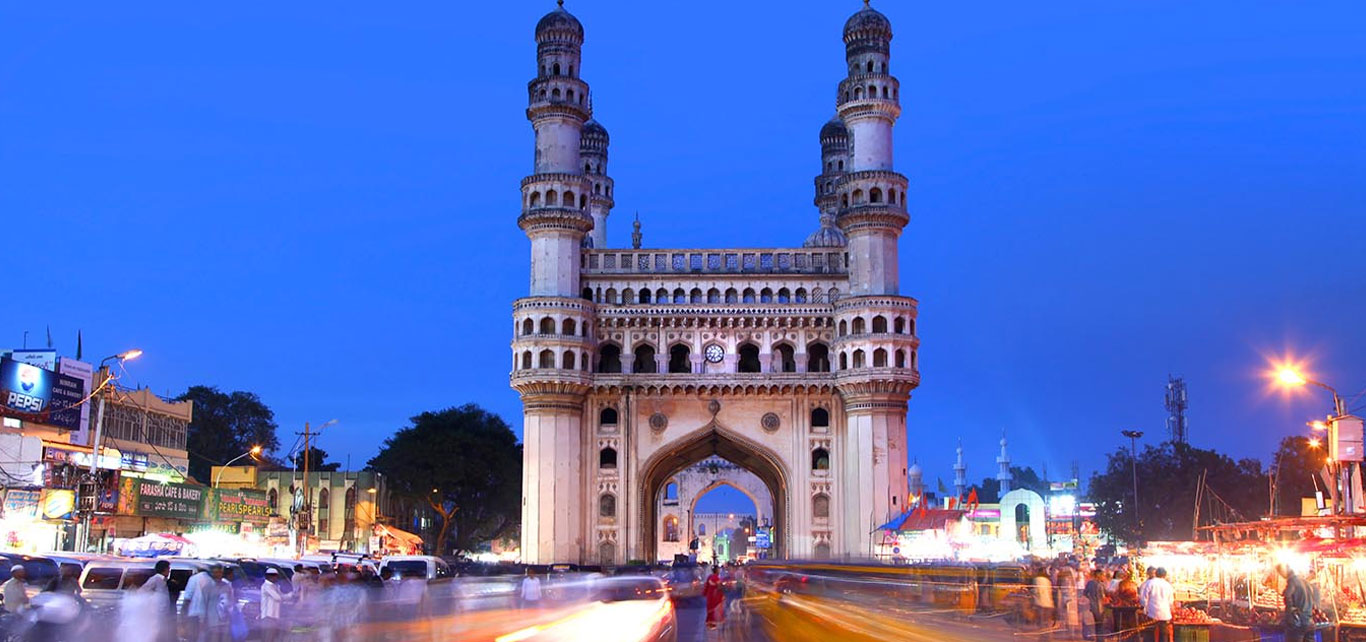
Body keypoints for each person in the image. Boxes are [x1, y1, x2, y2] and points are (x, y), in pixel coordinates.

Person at [1280, 564, 1316, 642]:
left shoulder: (1292, 581)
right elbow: (1313, 600)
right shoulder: (1306, 582)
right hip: (1309, 621)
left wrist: (1290, 612)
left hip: (1298, 622)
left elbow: (1287, 596)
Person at [1143, 568, 1174, 642]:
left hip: (1152, 612)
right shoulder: (1168, 585)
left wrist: (1144, 608)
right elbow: (1171, 601)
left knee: (1150, 632)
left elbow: (1144, 598)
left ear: (1156, 573)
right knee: (1163, 634)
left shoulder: (1150, 583)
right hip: (1164, 613)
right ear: (1165, 575)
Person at [259, 568, 286, 642]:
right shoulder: (266, 586)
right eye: (275, 576)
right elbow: (278, 597)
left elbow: (282, 596)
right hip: (268, 617)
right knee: (267, 638)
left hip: (274, 617)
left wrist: (292, 595)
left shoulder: (274, 586)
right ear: (270, 577)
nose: (276, 578)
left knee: (271, 638)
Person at [1033, 566, 1055, 631]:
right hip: (1049, 604)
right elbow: (1050, 591)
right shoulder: (1048, 580)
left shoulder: (1036, 579)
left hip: (1040, 603)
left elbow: (1036, 591)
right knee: (1047, 622)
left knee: (1041, 623)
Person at [704, 566, 725, 630]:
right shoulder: (716, 578)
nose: (719, 571)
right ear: (716, 570)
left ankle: (710, 623)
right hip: (715, 596)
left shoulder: (710, 577)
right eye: (718, 570)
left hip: (710, 596)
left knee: (710, 609)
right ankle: (712, 624)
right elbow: (719, 587)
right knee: (714, 609)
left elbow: (707, 586)